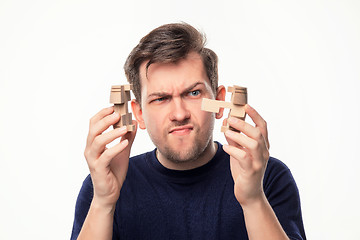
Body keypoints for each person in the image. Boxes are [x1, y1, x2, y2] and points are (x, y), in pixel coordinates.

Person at [71, 23, 306, 240]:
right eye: (161, 98)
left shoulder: (269, 177)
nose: (179, 113)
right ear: (139, 113)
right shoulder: (102, 185)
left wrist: (254, 200)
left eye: (193, 93)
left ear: (219, 100)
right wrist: (103, 203)